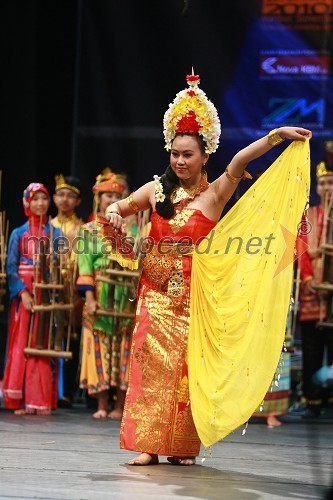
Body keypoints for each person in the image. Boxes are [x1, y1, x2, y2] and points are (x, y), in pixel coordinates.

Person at [106, 73, 312, 465]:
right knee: (151, 369)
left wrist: (276, 135)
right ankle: (148, 446)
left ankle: (180, 448)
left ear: (204, 157)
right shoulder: (156, 190)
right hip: (155, 294)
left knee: (187, 374)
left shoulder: (215, 194)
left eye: (188, 155)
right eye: (175, 153)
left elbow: (239, 161)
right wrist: (113, 215)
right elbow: (117, 208)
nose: (180, 161)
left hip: (195, 299)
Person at [77, 168, 137, 419]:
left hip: (124, 295)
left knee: (123, 349)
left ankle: (119, 407)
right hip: (100, 293)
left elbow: (135, 263)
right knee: (100, 347)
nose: (111, 202)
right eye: (107, 198)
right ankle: (102, 405)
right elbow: (85, 266)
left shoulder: (131, 231)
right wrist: (89, 299)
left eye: (116, 199)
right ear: (99, 200)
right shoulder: (88, 231)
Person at [2, 183, 61, 415]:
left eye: (43, 199)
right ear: (27, 202)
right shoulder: (18, 233)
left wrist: (51, 285)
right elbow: (11, 267)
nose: (40, 203)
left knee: (41, 341)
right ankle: (17, 397)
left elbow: (60, 266)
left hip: (46, 290)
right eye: (35, 199)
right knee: (20, 342)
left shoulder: (56, 234)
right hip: (24, 293)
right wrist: (23, 293)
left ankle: (39, 399)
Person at [298, 143, 333, 418]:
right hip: (311, 293)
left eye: (331, 182)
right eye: (323, 183)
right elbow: (300, 247)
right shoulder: (308, 215)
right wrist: (308, 276)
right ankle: (312, 399)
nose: (327, 187)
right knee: (311, 349)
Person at [52, 174, 83, 408]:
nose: (65, 200)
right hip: (51, 287)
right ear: (54, 198)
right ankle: (50, 386)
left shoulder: (81, 229)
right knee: (51, 334)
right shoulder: (47, 227)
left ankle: (68, 390)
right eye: (61, 194)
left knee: (71, 335)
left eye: (70, 196)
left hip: (72, 289)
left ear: (78, 201)